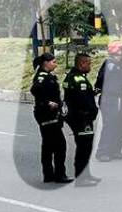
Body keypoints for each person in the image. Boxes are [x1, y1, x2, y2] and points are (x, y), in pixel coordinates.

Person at [30, 53, 72, 185]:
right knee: (60, 145)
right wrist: (47, 102)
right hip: (46, 114)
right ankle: (59, 175)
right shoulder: (42, 76)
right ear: (46, 63)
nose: (55, 64)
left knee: (48, 145)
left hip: (51, 114)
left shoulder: (48, 76)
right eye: (53, 62)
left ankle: (49, 174)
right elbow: (35, 90)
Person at [63, 52, 102, 186]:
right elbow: (83, 100)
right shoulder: (79, 80)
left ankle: (86, 174)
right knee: (84, 148)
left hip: (78, 117)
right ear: (82, 64)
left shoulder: (72, 77)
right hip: (82, 118)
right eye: (89, 63)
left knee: (85, 147)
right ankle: (81, 178)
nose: (90, 66)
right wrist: (92, 112)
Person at [95, 42, 122, 162]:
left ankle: (114, 150)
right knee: (109, 125)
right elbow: (101, 81)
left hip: (118, 98)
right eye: (121, 51)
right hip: (109, 98)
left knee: (120, 125)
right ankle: (103, 151)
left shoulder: (119, 64)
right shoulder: (110, 64)